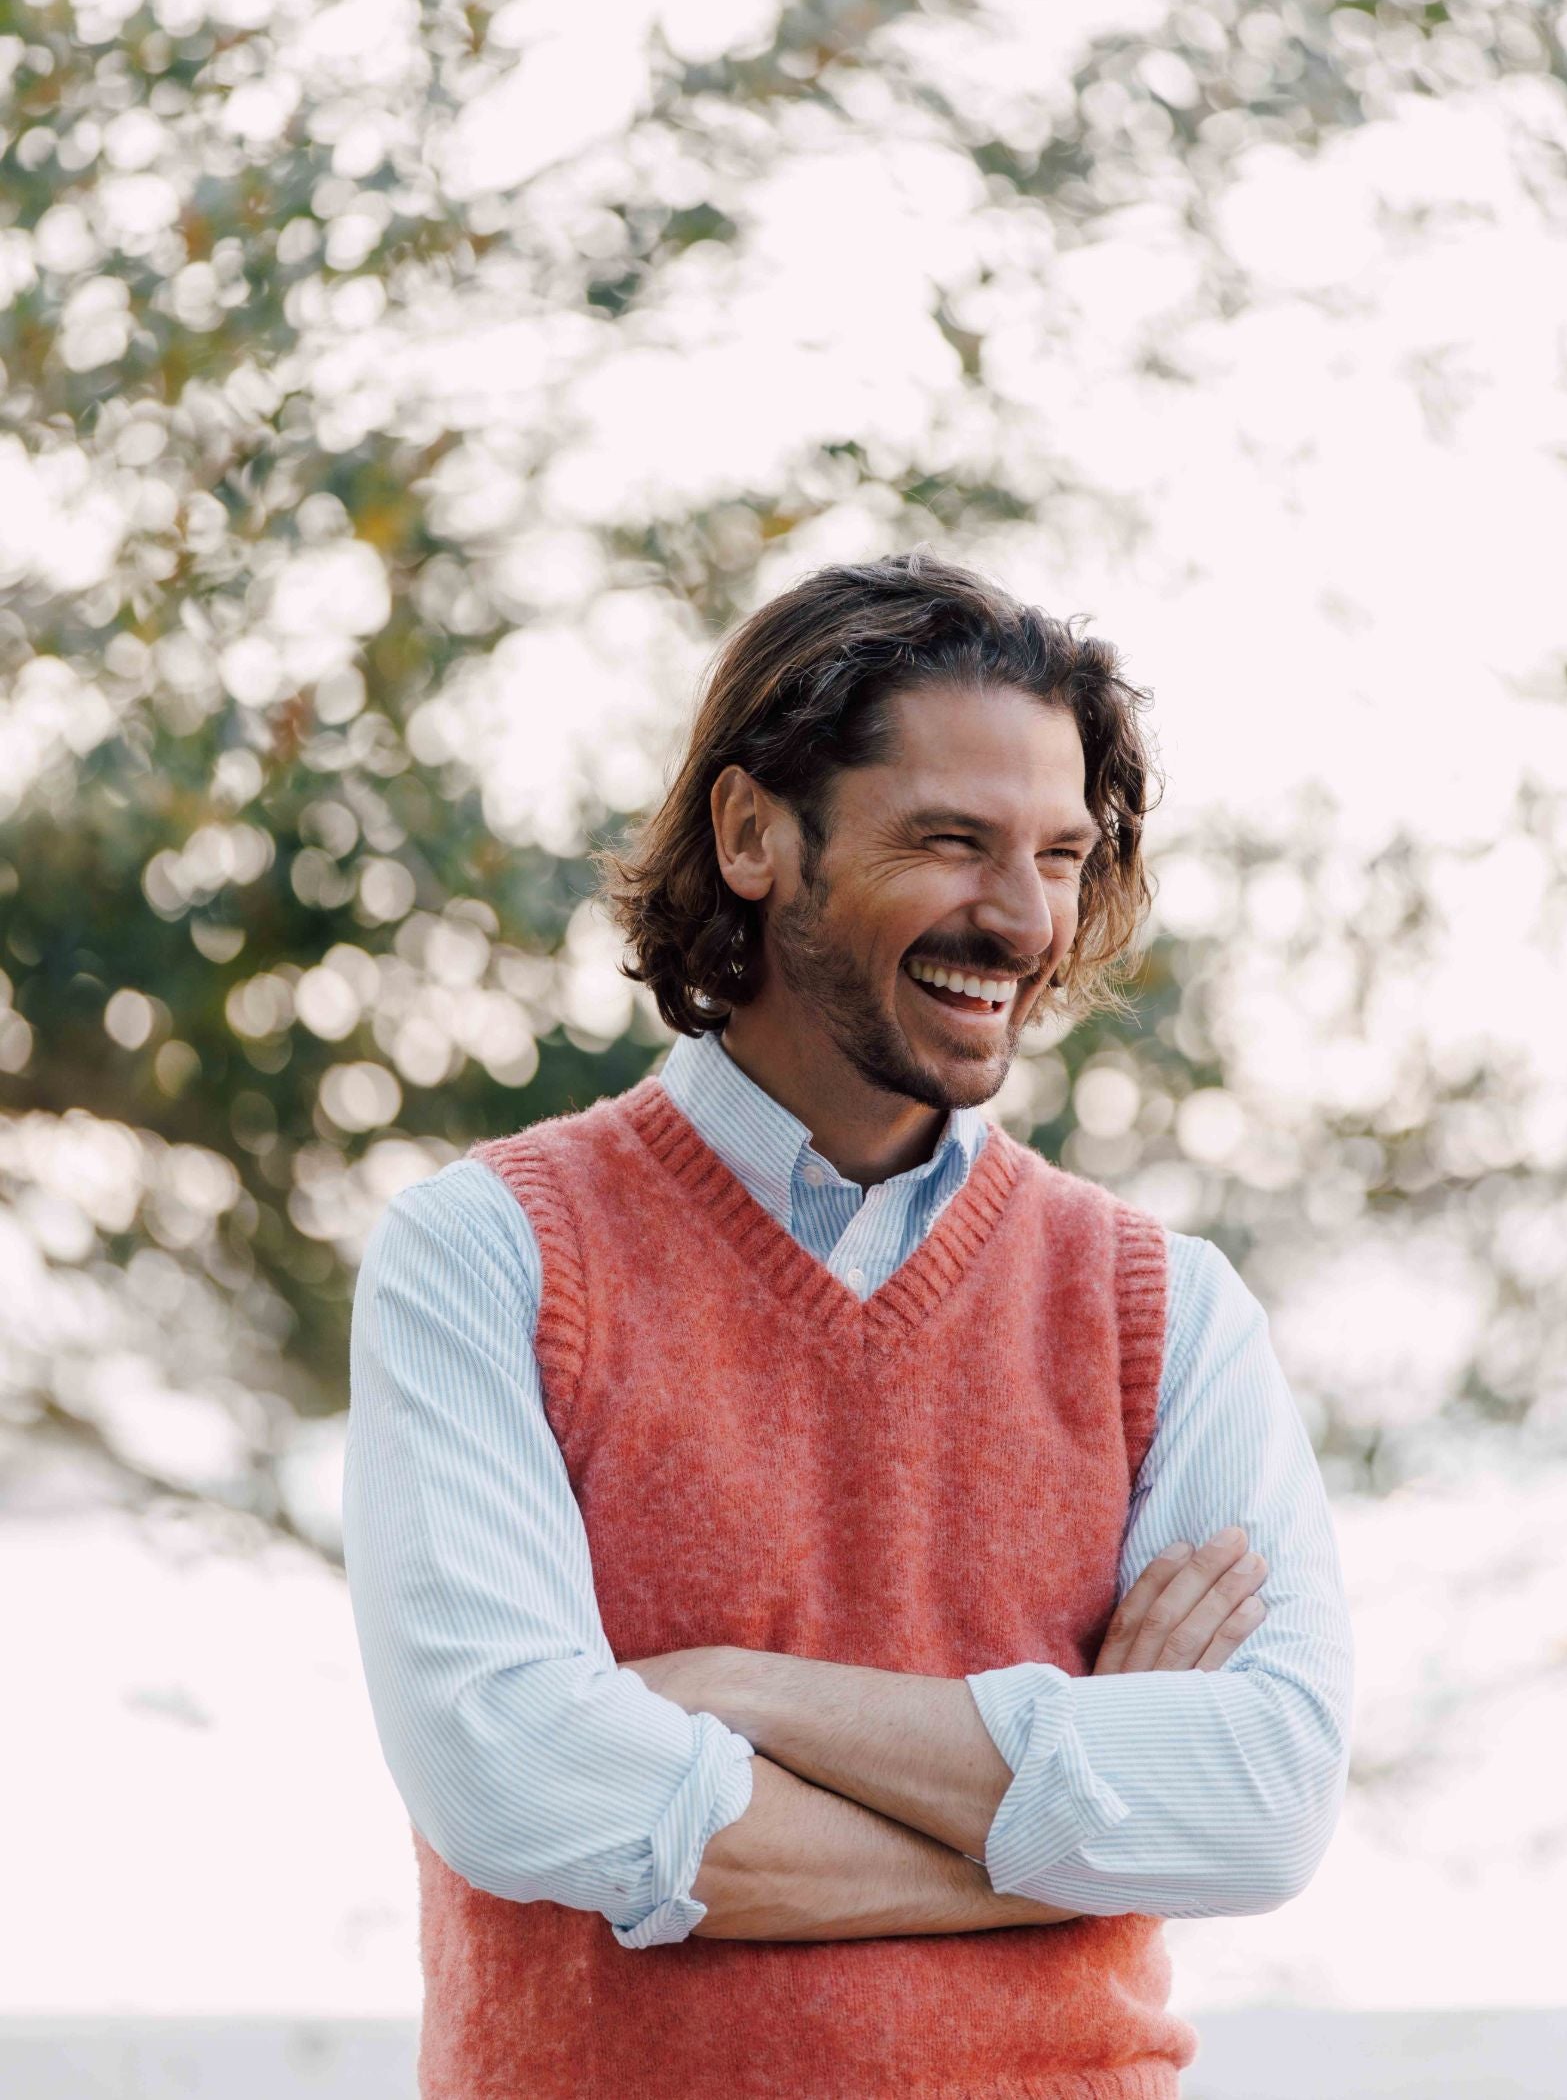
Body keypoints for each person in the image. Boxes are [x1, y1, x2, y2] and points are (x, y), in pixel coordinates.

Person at [343, 548, 1354, 2098]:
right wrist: (1077, 1822)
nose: (1021, 918)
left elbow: (1267, 1803)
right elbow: (517, 1776)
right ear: (755, 833)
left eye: (1063, 854)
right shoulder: (491, 1258)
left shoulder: (1166, 1308)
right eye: (952, 841)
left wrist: (741, 1695)